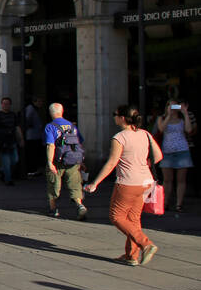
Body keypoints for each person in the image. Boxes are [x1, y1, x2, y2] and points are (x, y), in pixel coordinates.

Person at [85, 105, 163, 265]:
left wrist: (95, 182)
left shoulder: (119, 137)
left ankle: (145, 244)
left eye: (115, 114)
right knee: (133, 219)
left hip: (128, 182)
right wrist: (144, 165)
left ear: (122, 118)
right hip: (145, 182)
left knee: (117, 216)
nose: (114, 117)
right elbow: (159, 156)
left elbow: (112, 162)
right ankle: (131, 256)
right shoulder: (145, 134)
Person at [45, 102, 88, 220]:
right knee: (75, 184)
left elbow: (51, 145)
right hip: (73, 160)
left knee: (53, 184)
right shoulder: (72, 126)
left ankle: (53, 209)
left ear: (50, 113)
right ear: (62, 112)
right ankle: (80, 205)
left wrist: (50, 162)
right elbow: (79, 143)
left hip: (57, 160)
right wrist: (81, 161)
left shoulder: (51, 126)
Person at [155, 101, 194, 213]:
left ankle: (179, 204)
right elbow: (161, 129)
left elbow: (189, 130)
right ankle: (165, 202)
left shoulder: (182, 119)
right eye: (169, 105)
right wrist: (168, 115)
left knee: (181, 180)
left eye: (174, 106)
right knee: (167, 180)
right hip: (167, 152)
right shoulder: (161, 118)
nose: (172, 108)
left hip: (182, 151)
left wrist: (185, 113)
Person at [0, 97, 22, 185]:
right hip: (3, 141)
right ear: (1, 104)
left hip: (12, 140)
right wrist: (0, 134)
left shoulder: (13, 115)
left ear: (10, 105)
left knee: (14, 160)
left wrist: (21, 139)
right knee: (6, 161)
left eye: (7, 104)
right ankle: (8, 179)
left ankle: (2, 169)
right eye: (4, 103)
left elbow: (17, 127)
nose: (5, 105)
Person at [24, 96, 46, 177]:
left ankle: (34, 169)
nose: (41, 103)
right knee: (32, 153)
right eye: (39, 101)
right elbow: (27, 119)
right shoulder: (31, 109)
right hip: (32, 135)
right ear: (34, 102)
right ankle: (31, 170)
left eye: (42, 101)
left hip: (36, 134)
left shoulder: (36, 109)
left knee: (36, 153)